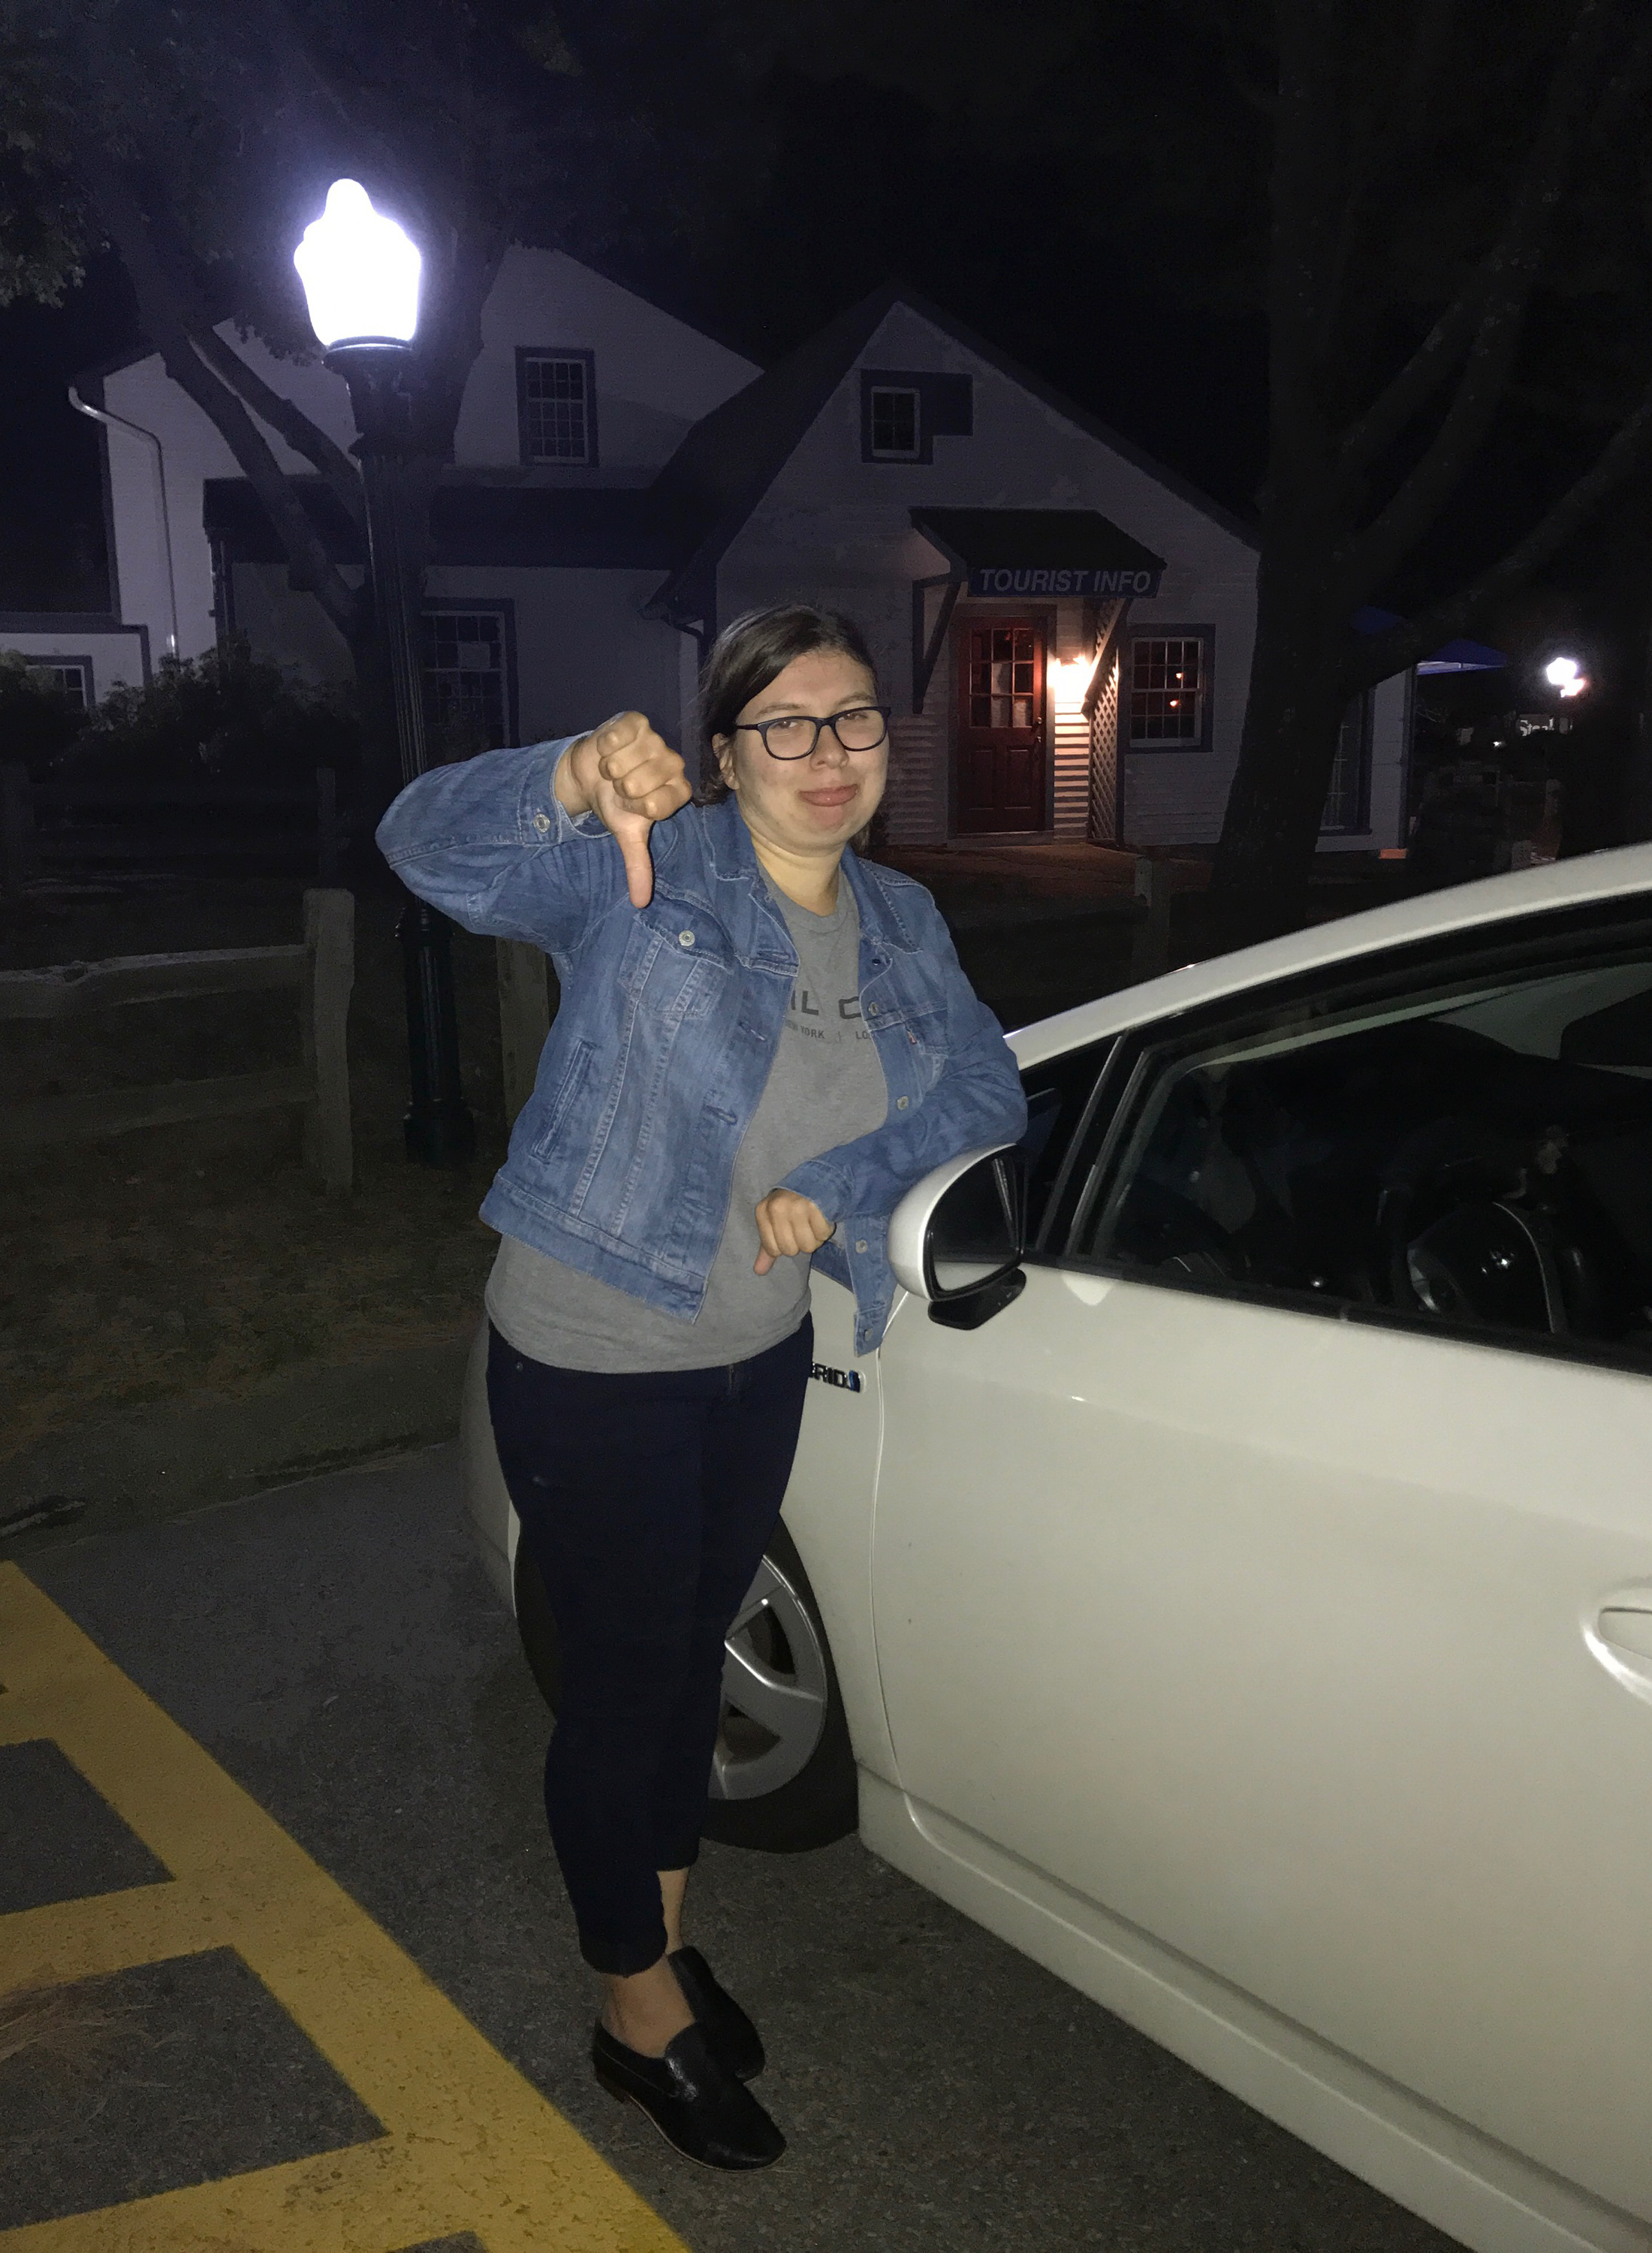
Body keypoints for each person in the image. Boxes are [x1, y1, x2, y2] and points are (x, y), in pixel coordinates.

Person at [376, 604, 1025, 2170]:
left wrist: (851, 1179)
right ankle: (632, 2016)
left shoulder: (904, 923)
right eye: (785, 725)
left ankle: (658, 1939)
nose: (828, 753)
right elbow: (420, 847)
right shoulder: (647, 866)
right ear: (724, 753)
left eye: (856, 719)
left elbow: (986, 1086)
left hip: (758, 1356)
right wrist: (561, 776)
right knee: (625, 1699)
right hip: (597, 1350)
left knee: (690, 1675)